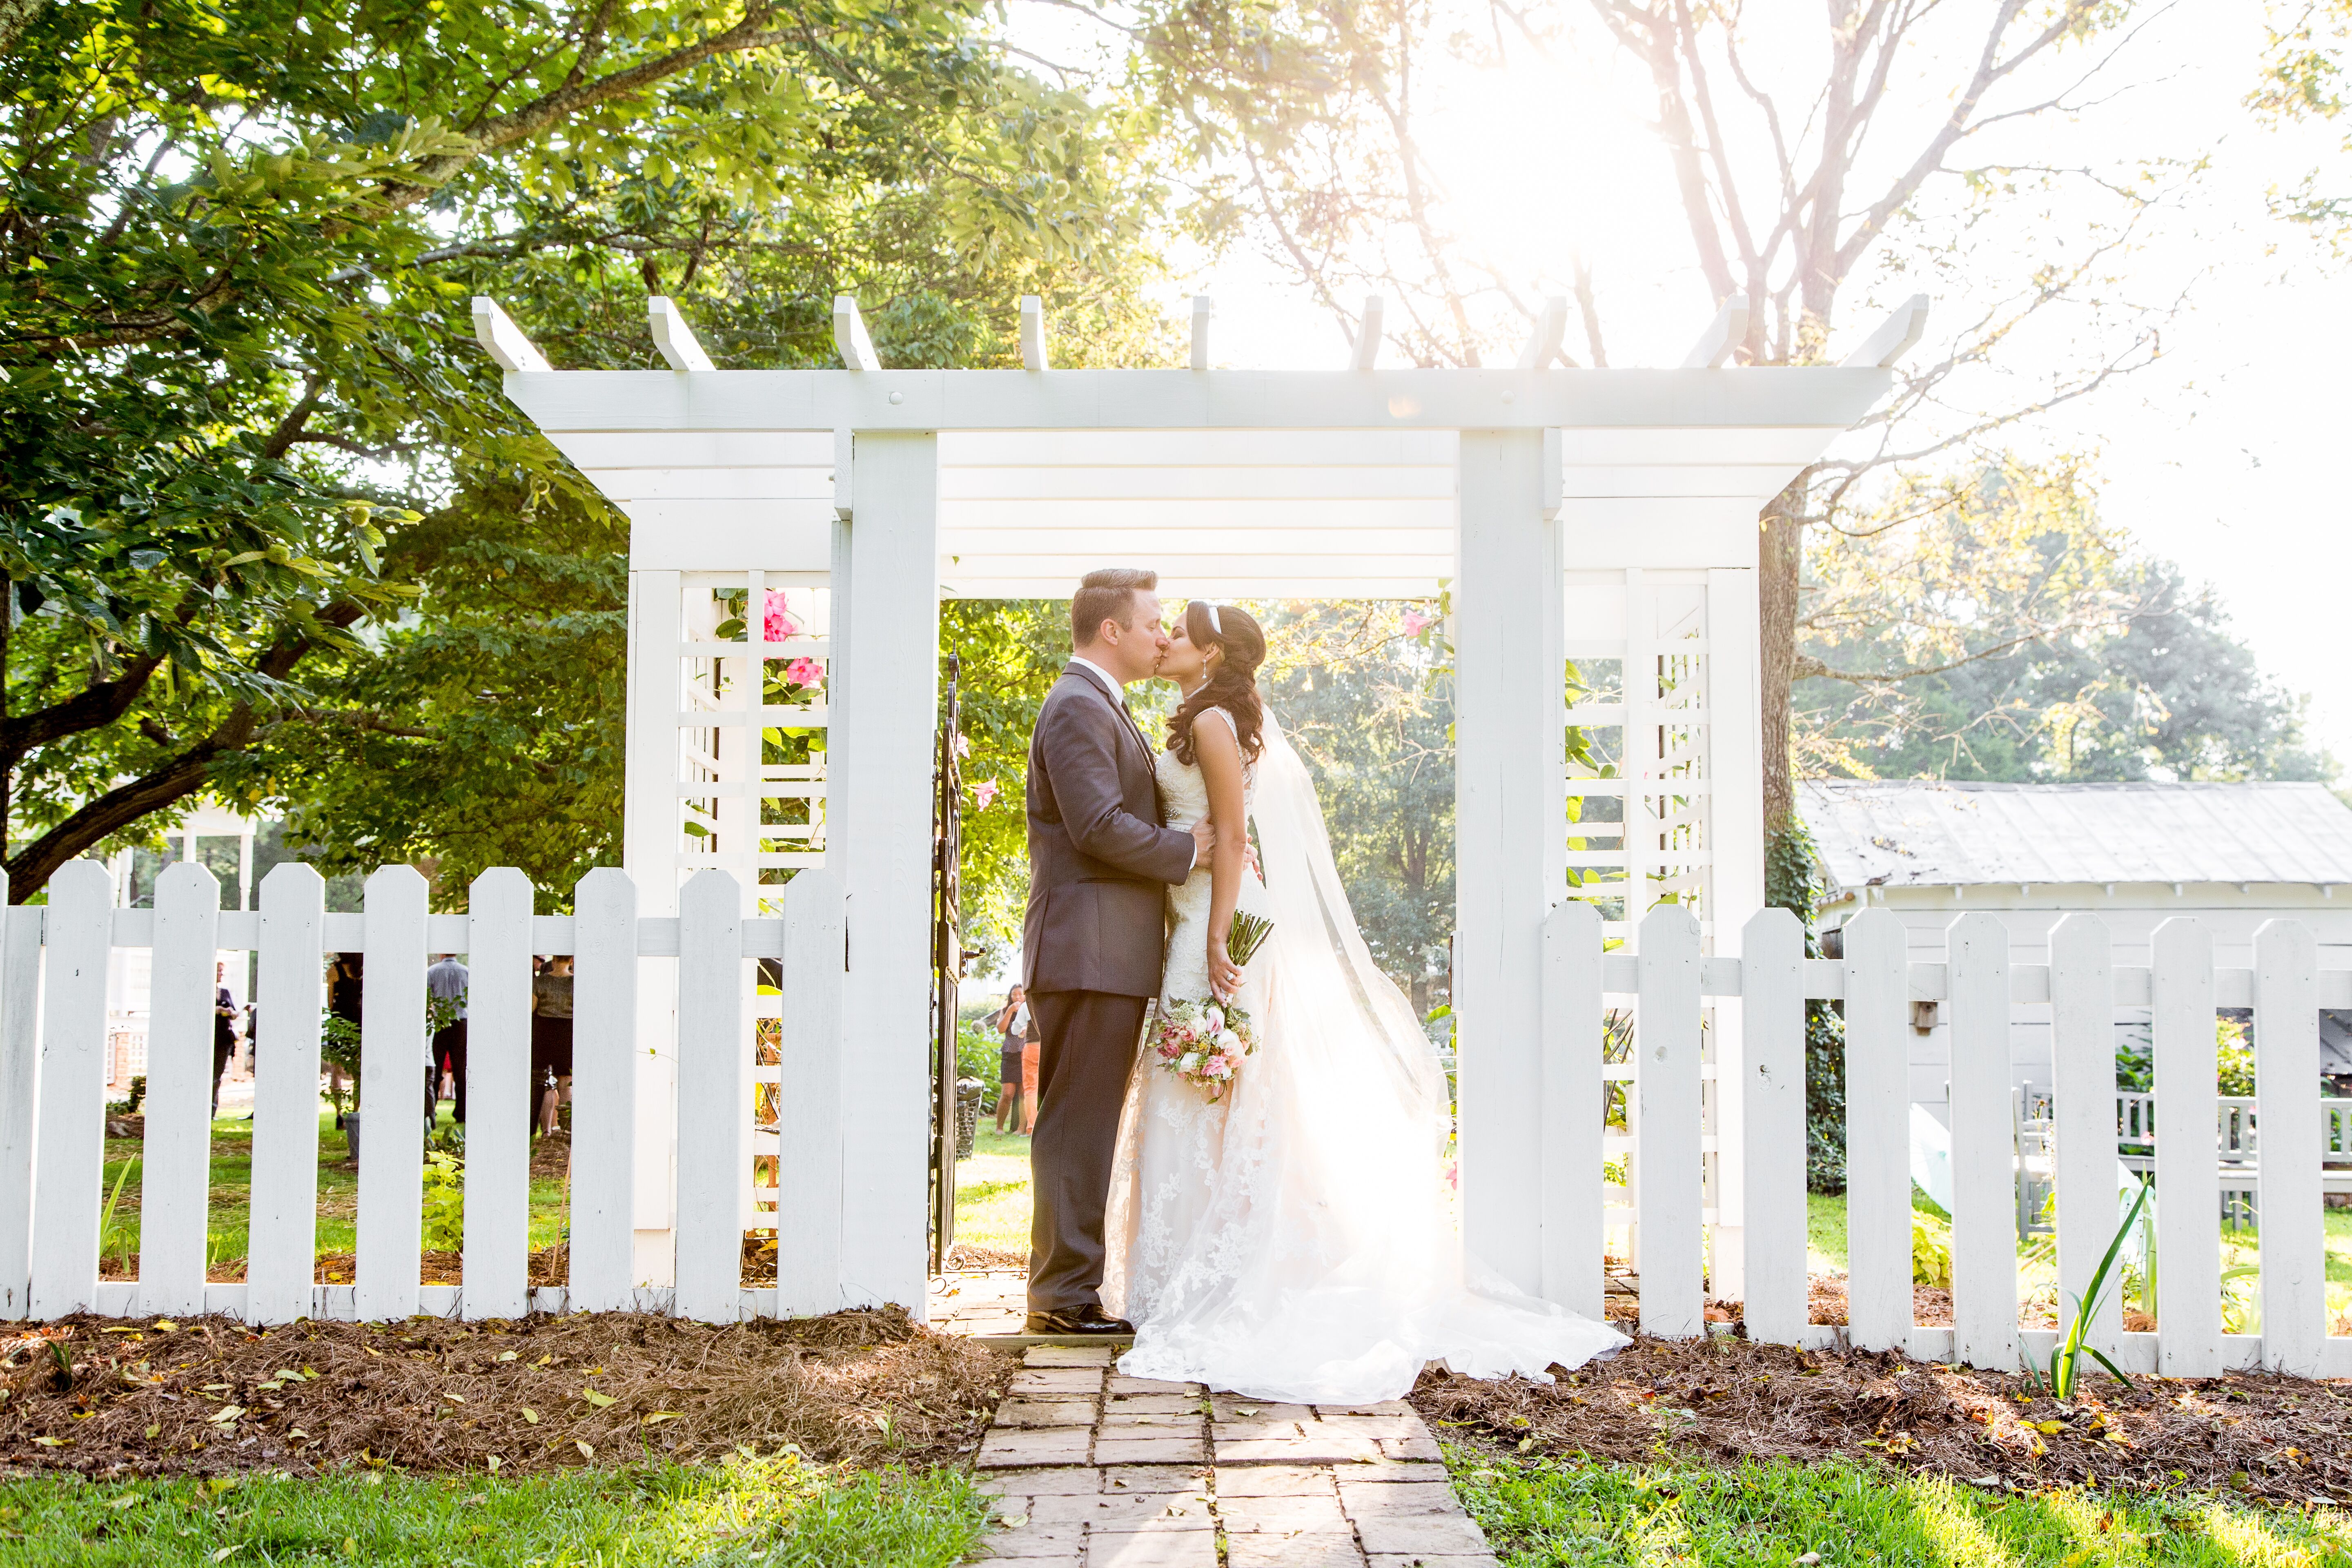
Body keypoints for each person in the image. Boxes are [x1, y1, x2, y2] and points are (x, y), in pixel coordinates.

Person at [1095, 598, 1626, 1403]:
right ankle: (1190, 1272)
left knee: (1203, 1092)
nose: (1162, 639)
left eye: (1178, 631)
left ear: (1209, 651)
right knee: (1215, 1096)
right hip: (1208, 913)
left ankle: (1202, 1278)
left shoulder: (1210, 723)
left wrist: (1216, 934)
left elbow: (1235, 837)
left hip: (1223, 924)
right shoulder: (1203, 715)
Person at [1020, 568, 1219, 1337]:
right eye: (1152, 623)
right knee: (1077, 1123)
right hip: (1087, 948)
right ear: (1112, 630)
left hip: (1104, 949)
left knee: (1086, 1120)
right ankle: (1063, 1299)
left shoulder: (1099, 704)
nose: (1163, 635)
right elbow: (1097, 825)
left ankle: (1065, 1290)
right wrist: (1185, 850)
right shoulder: (1076, 705)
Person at [531, 954, 575, 1137]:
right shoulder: (576, 983)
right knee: (565, 1079)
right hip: (567, 1031)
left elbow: (533, 1008)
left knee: (544, 1081)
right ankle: (566, 1127)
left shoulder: (540, 982)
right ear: (571, 961)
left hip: (544, 1030)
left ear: (554, 960)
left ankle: (546, 1129)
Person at [426, 952, 470, 1126]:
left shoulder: (432, 971)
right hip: (461, 1023)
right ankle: (462, 1112)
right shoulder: (466, 972)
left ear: (441, 953)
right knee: (461, 1069)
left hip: (440, 1023)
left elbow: (428, 997)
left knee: (435, 1068)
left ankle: (431, 1109)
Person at [993, 986, 1032, 1134]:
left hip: (1025, 1053)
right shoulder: (1006, 1010)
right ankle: (999, 1127)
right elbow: (1001, 1029)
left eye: (1020, 994)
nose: (1017, 997)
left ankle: (1021, 1128)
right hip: (1010, 1055)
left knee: (1024, 1093)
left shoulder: (1029, 1010)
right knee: (1008, 1093)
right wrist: (1010, 1010)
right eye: (1014, 994)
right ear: (1010, 996)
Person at [209, 961, 240, 1117]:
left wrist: (230, 1012)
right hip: (209, 1038)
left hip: (224, 1040)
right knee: (207, 1074)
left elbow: (235, 1013)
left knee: (217, 1075)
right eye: (219, 971)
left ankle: (212, 1110)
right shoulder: (205, 991)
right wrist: (217, 1010)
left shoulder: (226, 992)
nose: (222, 974)